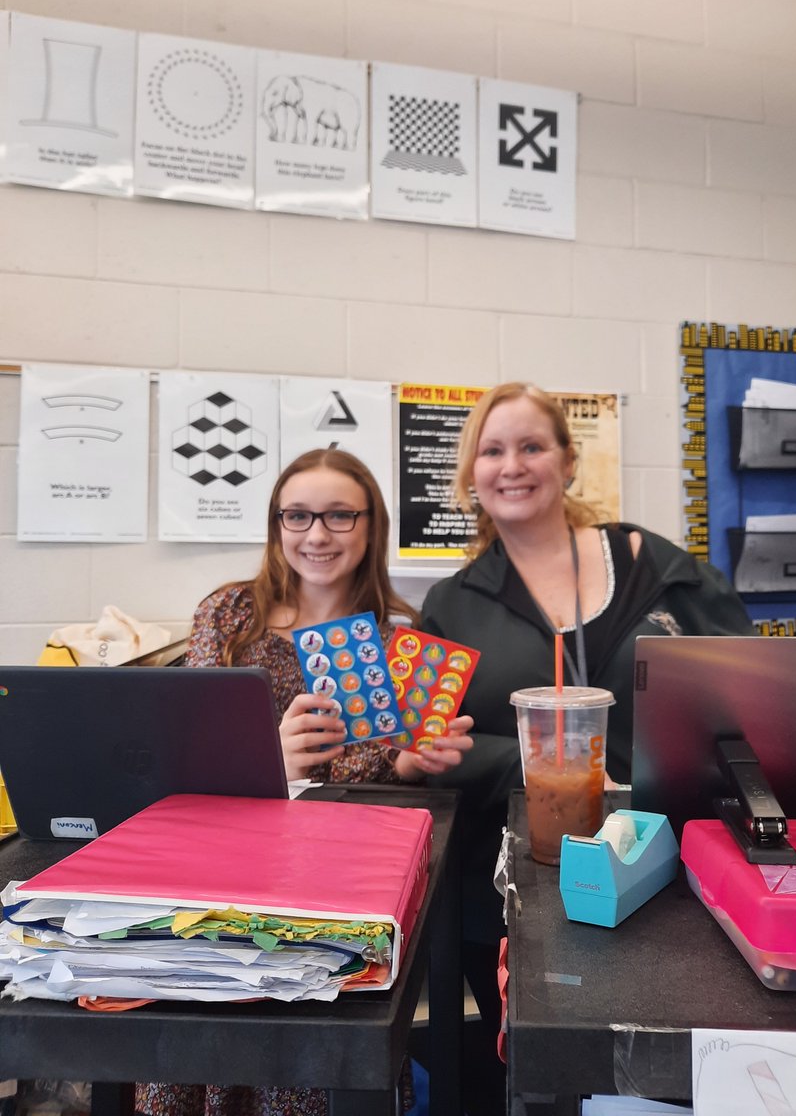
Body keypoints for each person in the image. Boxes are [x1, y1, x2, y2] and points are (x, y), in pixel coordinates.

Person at [420, 381, 754, 1112]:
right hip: (512, 897)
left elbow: (750, 689)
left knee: (662, 1084)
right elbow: (438, 749)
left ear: (568, 463)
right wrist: (455, 759)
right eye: (493, 450)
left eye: (532, 446)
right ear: (472, 475)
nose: (513, 465)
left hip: (669, 878)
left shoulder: (652, 564)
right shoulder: (453, 604)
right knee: (549, 1084)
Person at [135, 447, 473, 1116]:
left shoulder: (400, 637)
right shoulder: (230, 616)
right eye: (297, 515)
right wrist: (271, 763)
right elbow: (194, 766)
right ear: (276, 524)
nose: (316, 535)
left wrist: (411, 763)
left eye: (339, 515)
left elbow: (384, 773)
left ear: (370, 525)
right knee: (205, 1053)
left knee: (317, 1069)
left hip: (337, 887)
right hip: (225, 877)